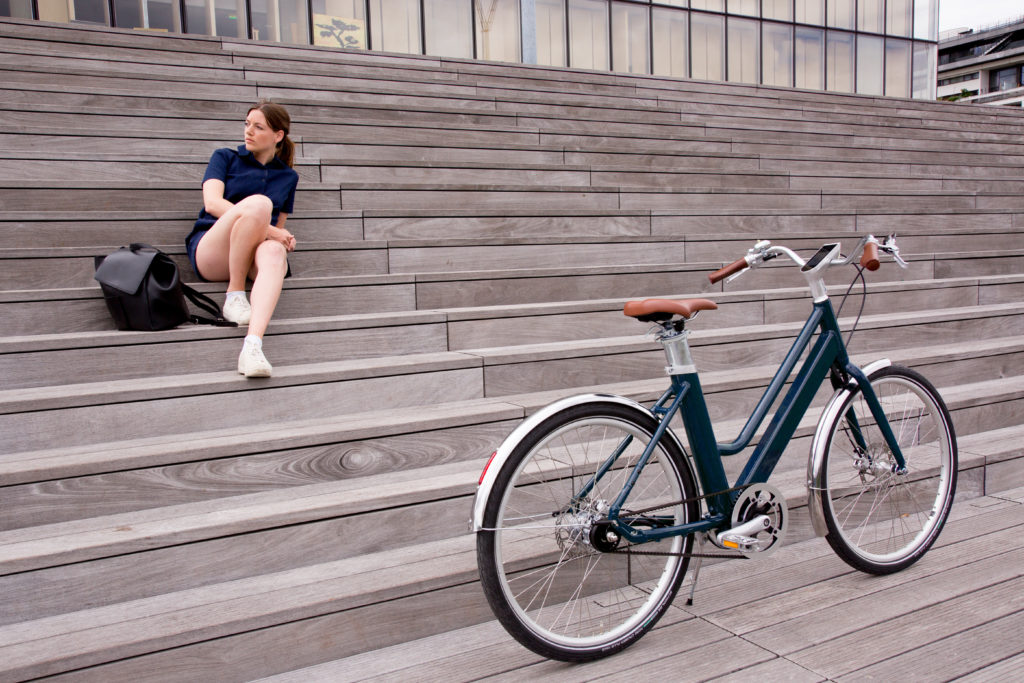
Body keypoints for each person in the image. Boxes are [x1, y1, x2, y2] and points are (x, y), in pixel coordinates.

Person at [185, 101, 299, 378]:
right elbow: (212, 203)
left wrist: (276, 238)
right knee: (260, 205)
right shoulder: (224, 157)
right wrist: (270, 229)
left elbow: (276, 231)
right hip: (213, 250)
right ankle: (235, 294)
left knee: (273, 252)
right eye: (247, 124)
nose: (248, 131)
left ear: (278, 136)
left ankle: (252, 346)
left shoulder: (289, 177)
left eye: (258, 127)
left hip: (252, 254)